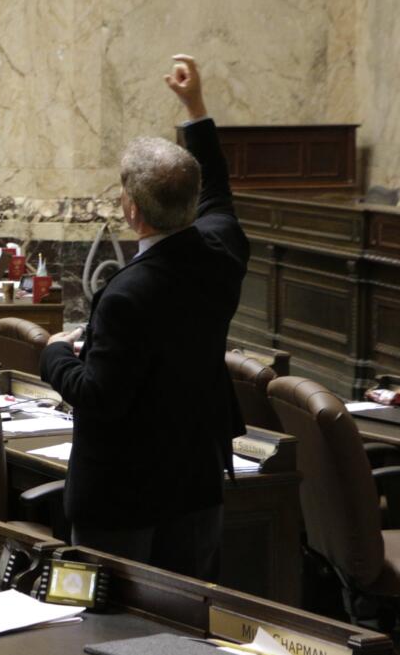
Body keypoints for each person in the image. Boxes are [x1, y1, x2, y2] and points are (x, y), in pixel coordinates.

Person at [38, 55, 249, 581]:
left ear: (131, 209)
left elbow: (100, 397)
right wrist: (194, 107)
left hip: (123, 497)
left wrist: (55, 355)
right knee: (187, 619)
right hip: (197, 481)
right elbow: (219, 188)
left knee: (114, 629)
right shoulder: (225, 252)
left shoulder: (127, 293)